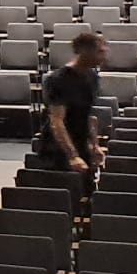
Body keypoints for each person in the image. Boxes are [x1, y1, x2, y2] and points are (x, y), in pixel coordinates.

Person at [30, 32, 107, 177]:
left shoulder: (92, 77)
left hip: (81, 143)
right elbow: (57, 121)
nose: (104, 56)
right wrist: (72, 155)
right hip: (57, 149)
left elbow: (88, 115)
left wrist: (95, 145)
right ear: (85, 51)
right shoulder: (58, 79)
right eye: (100, 52)